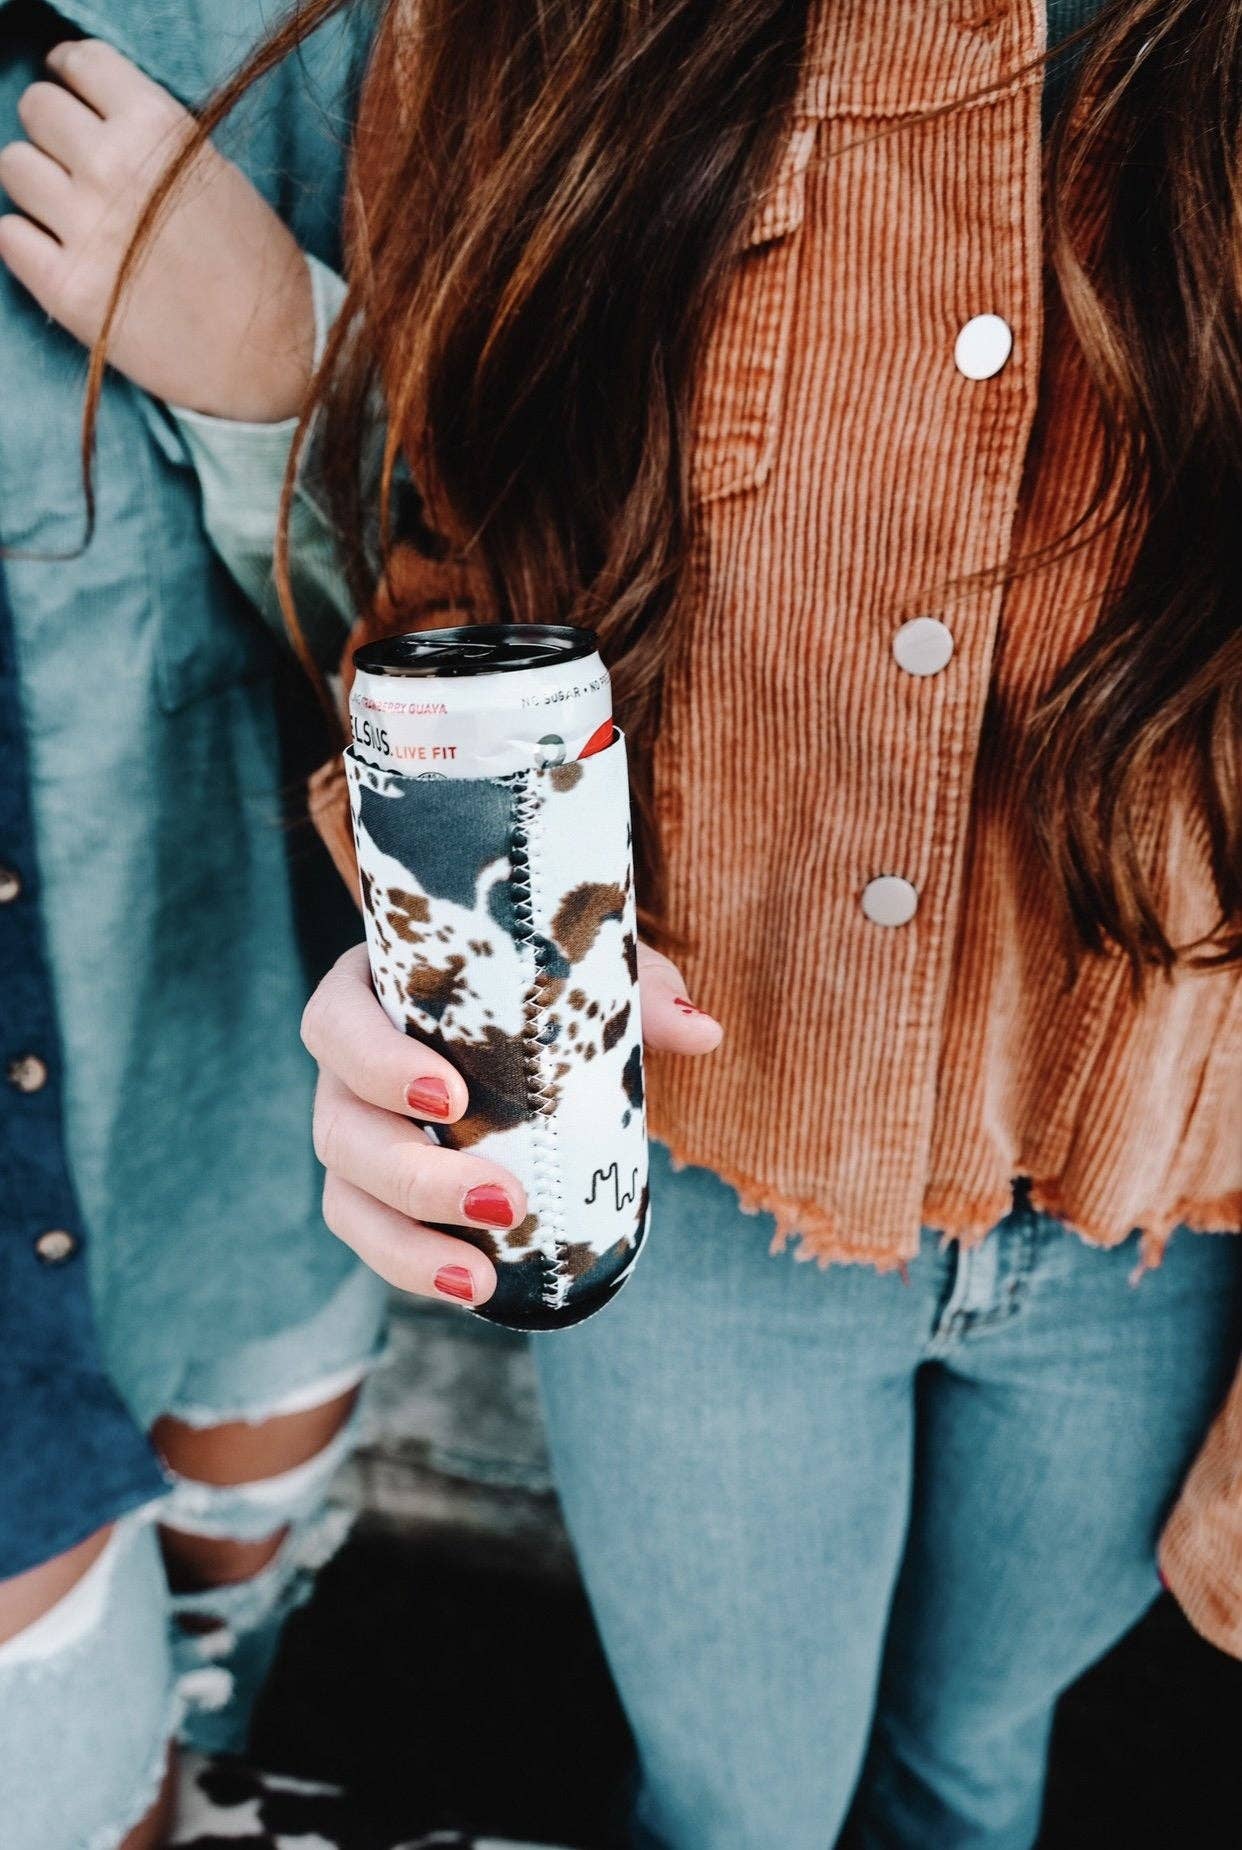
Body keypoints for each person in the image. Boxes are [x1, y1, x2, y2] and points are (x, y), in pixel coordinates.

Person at [9, 2, 1239, 1846]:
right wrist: (442, 930)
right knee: (735, 1807)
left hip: (1163, 1201)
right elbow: (450, 565)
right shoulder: (533, 34)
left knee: (979, 1762)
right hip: (706, 1194)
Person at [0, 8, 386, 1848]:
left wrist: (282, 362)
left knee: (219, 1614)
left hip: (243, 1038)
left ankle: (209, 1722)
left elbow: (517, 558)